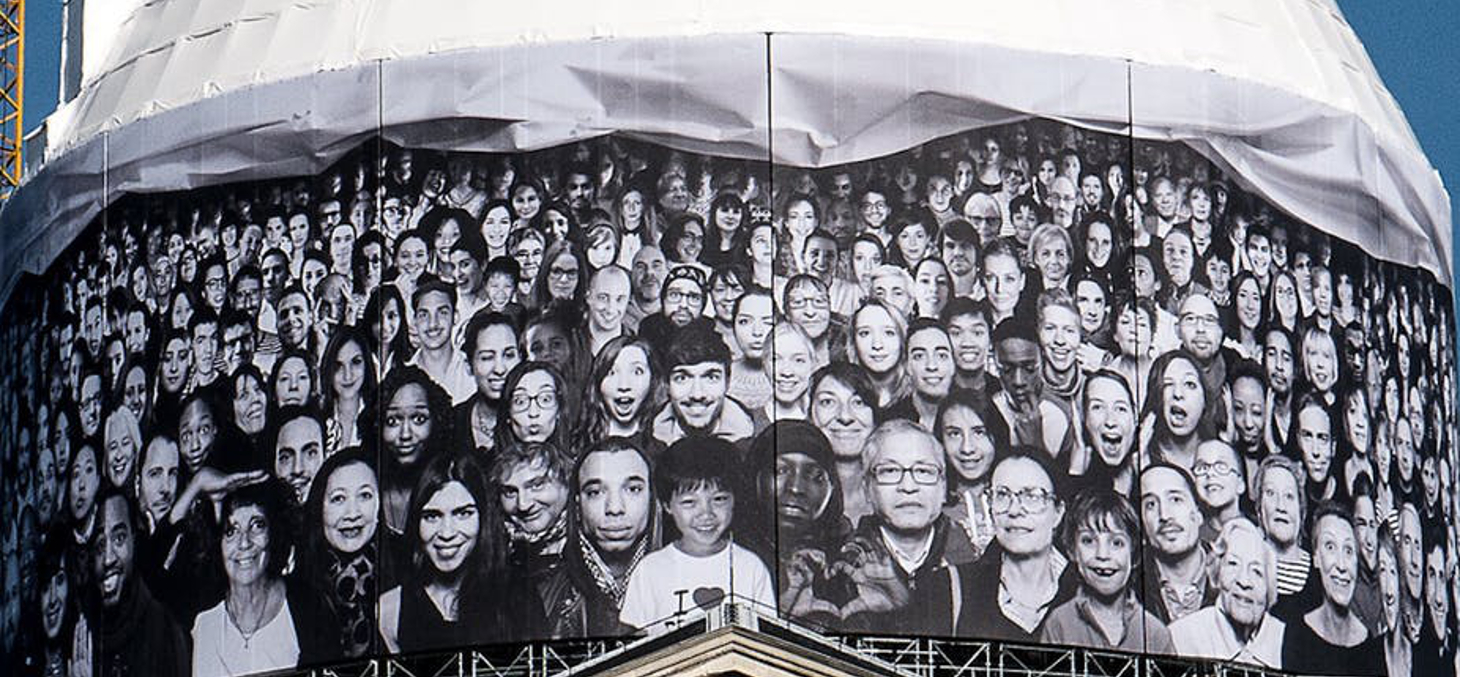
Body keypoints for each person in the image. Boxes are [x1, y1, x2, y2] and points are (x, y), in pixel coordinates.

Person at [378, 450, 545, 653]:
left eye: (463, 514)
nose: (446, 533)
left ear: (483, 518)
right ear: (416, 522)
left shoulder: (519, 597)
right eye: (432, 516)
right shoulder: (390, 610)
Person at [619, 436, 774, 633]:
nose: (706, 514)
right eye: (689, 502)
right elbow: (634, 636)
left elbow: (767, 635)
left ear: (734, 500)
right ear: (667, 505)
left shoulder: (751, 567)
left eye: (719, 499)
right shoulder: (650, 569)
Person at [540, 439, 659, 638]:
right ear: (577, 506)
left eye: (633, 489)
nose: (614, 508)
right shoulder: (542, 594)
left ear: (651, 498)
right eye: (595, 492)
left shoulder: (685, 579)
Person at [957, 451, 1078, 642]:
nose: (1014, 510)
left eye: (1032, 496)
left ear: (1058, 512)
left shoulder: (1085, 588)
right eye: (1002, 495)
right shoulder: (955, 587)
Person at [1040, 489, 1175, 652]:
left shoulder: (1155, 633)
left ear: (1134, 553)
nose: (1102, 555)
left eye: (1116, 543)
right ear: (1072, 550)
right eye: (1088, 541)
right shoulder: (1058, 624)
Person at [1279, 502, 1385, 675]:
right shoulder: (1296, 637)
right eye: (1330, 547)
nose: (1342, 565)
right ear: (1316, 558)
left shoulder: (1370, 647)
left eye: (1348, 550)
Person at [92, 490, 190, 677]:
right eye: (99, 545)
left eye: (119, 538)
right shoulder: (85, 633)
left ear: (134, 541)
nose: (108, 559)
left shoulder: (165, 630)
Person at [1169, 519, 1286, 669]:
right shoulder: (1182, 637)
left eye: (1257, 571)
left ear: (1269, 588)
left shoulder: (1287, 638)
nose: (1244, 581)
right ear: (1217, 573)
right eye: (1233, 564)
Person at [650, 323, 756, 446]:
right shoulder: (647, 443)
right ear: (666, 384)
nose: (697, 394)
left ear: (727, 382)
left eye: (711, 378)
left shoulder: (756, 443)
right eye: (682, 378)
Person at [1138, 463, 1215, 623]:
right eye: (1150, 504)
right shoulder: (1126, 582)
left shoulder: (1234, 573)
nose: (1164, 515)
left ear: (1199, 513)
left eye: (1175, 499)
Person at [491, 441, 572, 589]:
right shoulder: (495, 553)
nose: (523, 504)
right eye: (510, 492)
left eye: (536, 485)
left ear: (566, 484)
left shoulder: (592, 543)